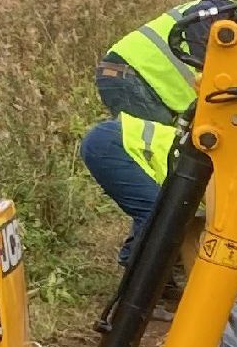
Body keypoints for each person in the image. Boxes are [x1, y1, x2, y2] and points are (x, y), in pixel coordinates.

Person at [93, 0, 236, 124]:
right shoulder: (224, 11)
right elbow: (198, 29)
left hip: (134, 77)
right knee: (156, 145)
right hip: (129, 74)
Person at [77, 111, 180, 266]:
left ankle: (151, 276)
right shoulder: (218, 181)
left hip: (114, 141)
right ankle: (134, 269)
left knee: (162, 213)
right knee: (159, 212)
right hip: (111, 143)